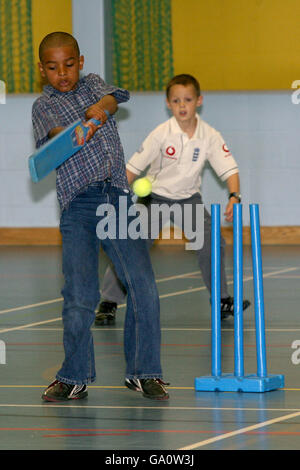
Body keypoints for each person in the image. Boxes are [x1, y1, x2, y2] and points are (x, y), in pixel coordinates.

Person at [32, 32, 169, 401]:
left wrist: (102, 107)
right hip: (78, 206)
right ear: (42, 70)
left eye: (69, 64)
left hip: (117, 199)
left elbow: (118, 95)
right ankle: (74, 376)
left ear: (81, 61)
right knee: (79, 294)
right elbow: (55, 138)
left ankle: (144, 372)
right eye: (53, 67)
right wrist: (77, 129)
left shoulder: (93, 85)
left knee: (142, 284)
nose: (62, 73)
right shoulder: (42, 107)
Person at [95, 74, 250, 326]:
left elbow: (230, 169)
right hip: (154, 199)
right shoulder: (160, 134)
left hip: (189, 200)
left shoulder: (209, 135)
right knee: (130, 245)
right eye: (176, 100)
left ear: (198, 101)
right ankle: (108, 302)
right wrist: (114, 196)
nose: (182, 105)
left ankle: (221, 300)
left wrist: (234, 196)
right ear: (168, 104)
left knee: (211, 241)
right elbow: (133, 169)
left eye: (187, 100)